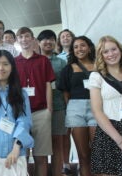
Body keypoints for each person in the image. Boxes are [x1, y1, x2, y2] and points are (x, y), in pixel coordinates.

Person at [89, 36, 122, 175]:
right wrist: (120, 141)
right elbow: (97, 111)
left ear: (120, 50)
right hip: (110, 133)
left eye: (113, 49)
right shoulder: (96, 77)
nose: (111, 54)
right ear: (101, 55)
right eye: (105, 51)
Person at [15, 27, 55, 176]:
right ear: (17, 40)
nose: (24, 39)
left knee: (41, 156)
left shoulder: (43, 60)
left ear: (32, 39)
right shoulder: (13, 62)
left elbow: (48, 84)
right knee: (21, 156)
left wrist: (49, 109)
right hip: (20, 114)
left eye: (27, 36)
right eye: (21, 37)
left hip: (41, 112)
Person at [58, 36, 96, 176]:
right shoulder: (68, 69)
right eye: (76, 47)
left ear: (89, 47)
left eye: (82, 45)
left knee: (97, 153)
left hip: (97, 109)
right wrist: (71, 109)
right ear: (72, 51)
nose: (79, 49)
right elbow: (66, 93)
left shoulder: (100, 66)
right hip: (75, 109)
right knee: (83, 155)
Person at [37, 30, 67, 176]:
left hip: (58, 105)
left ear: (55, 42)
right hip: (37, 108)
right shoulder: (34, 60)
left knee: (57, 143)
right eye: (44, 39)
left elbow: (65, 85)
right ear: (38, 42)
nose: (48, 42)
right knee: (39, 146)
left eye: (51, 39)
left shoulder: (62, 62)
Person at [56, 29, 75, 175]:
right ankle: (66, 163)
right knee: (65, 134)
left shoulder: (78, 54)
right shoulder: (58, 58)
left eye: (68, 35)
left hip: (80, 95)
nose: (65, 38)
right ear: (59, 41)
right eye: (62, 36)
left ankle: (86, 161)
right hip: (64, 98)